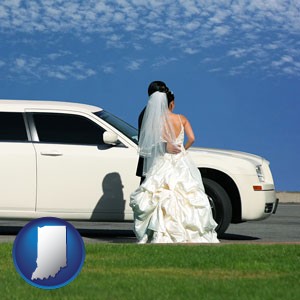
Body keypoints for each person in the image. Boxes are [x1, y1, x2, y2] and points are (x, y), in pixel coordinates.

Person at [130, 90, 219, 243]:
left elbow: (149, 143)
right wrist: (183, 149)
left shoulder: (156, 121)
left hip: (163, 160)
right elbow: (192, 138)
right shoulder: (181, 118)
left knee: (161, 193)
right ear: (172, 103)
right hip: (181, 159)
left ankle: (160, 232)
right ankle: (188, 232)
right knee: (187, 193)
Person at [136, 81, 181, 184]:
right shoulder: (149, 115)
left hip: (163, 162)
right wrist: (165, 146)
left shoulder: (150, 112)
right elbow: (147, 141)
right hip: (153, 163)